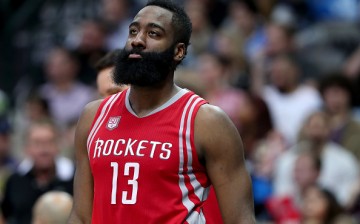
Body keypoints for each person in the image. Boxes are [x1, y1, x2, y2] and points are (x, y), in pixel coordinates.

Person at [68, 0, 255, 223]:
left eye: (153, 33)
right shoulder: (93, 116)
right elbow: (80, 216)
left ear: (179, 51)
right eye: (133, 31)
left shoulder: (205, 121)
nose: (137, 40)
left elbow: (240, 220)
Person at [1, 120, 74, 224]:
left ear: (58, 146)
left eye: (49, 142)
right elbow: (5, 216)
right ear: (26, 148)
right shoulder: (15, 181)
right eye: (37, 143)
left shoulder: (75, 179)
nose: (44, 149)